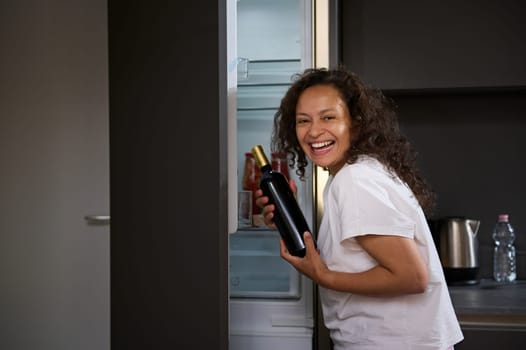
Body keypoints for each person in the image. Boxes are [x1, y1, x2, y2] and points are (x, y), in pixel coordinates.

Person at [255, 66, 463, 350]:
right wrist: (285, 218)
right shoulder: (357, 172)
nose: (314, 131)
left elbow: (412, 277)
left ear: (356, 122)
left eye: (328, 117)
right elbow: (355, 253)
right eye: (303, 121)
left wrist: (323, 276)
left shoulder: (355, 179)